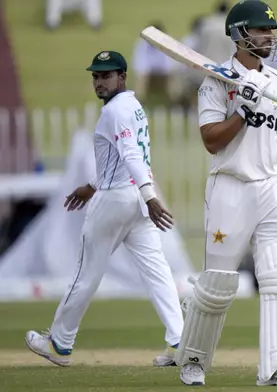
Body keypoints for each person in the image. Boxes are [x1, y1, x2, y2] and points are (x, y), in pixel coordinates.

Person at [174, 0, 277, 387]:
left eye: (271, 30)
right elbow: (210, 141)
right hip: (230, 186)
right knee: (218, 284)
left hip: (271, 188)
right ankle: (193, 361)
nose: (270, 36)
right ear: (239, 34)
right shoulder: (215, 82)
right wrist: (242, 112)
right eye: (261, 30)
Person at [24, 50, 185, 368]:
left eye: (106, 75)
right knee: (157, 271)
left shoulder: (114, 111)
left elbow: (130, 156)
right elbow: (119, 158)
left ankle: (60, 343)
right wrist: (93, 185)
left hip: (118, 200)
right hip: (133, 201)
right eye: (96, 76)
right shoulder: (133, 106)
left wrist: (150, 196)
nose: (99, 82)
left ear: (122, 76)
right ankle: (181, 341)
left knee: (86, 274)